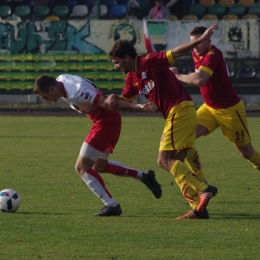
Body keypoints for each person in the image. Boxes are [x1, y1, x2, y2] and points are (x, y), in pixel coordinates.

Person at [105, 24, 219, 219]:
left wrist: (200, 40)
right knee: (178, 159)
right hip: (180, 112)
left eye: (117, 62)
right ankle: (198, 209)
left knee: (163, 160)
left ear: (126, 58)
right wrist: (114, 98)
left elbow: (175, 52)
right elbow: (126, 101)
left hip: (180, 109)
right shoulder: (131, 78)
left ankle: (203, 188)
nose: (116, 67)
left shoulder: (149, 61)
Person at [33, 74, 162, 217]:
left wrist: (137, 106)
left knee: (81, 167)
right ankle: (143, 176)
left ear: (51, 90)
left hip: (105, 122)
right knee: (99, 166)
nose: (46, 101)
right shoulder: (62, 78)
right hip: (107, 120)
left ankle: (111, 205)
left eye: (45, 97)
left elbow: (110, 103)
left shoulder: (76, 93)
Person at [171, 26, 260, 179]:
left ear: (209, 41)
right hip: (209, 108)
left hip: (230, 110)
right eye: (193, 42)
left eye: (200, 41)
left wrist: (178, 76)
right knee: (185, 136)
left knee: (246, 152)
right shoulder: (195, 52)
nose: (196, 45)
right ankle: (202, 185)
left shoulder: (213, 54)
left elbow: (200, 79)